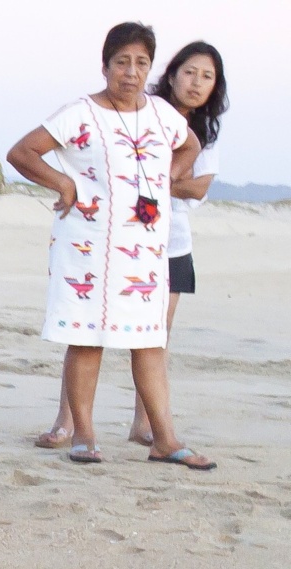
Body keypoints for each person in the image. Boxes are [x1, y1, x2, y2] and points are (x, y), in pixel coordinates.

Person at [7, 22, 210, 471]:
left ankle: (164, 439)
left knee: (149, 341)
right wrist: (63, 182)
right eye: (122, 62)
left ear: (150, 69)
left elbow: (190, 144)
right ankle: (83, 435)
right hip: (88, 246)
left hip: (146, 249)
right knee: (88, 339)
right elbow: (22, 153)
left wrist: (167, 178)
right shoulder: (79, 113)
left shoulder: (162, 114)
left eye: (141, 63)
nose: (131, 73)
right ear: (105, 66)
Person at [129, 41, 222, 448]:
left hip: (175, 243)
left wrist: (160, 182)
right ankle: (67, 421)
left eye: (207, 76)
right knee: (93, 333)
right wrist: (172, 184)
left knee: (157, 336)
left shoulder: (207, 129)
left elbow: (200, 188)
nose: (196, 82)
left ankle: (144, 423)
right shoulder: (142, 111)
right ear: (171, 74)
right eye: (189, 72)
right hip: (130, 237)